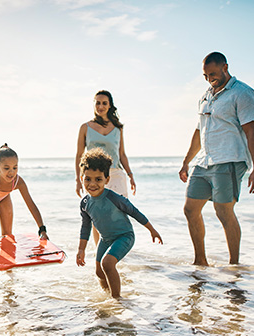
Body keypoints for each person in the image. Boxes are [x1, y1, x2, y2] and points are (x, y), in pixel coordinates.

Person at [179, 52, 254, 266]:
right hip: (204, 162)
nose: (209, 78)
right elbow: (198, 132)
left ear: (225, 67)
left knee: (223, 211)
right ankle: (200, 261)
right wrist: (186, 161)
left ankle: (234, 266)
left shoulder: (243, 94)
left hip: (229, 160)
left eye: (212, 73)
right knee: (190, 209)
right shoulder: (205, 96)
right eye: (205, 75)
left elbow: (251, 131)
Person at [76, 148, 163, 298]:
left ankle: (117, 300)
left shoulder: (114, 198)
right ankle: (108, 295)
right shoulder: (85, 203)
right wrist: (81, 249)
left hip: (124, 236)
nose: (92, 184)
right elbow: (85, 227)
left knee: (108, 264)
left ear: (107, 180)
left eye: (98, 179)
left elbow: (134, 212)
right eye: (88, 179)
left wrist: (151, 229)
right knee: (99, 271)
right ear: (82, 178)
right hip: (106, 238)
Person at [0, 144, 49, 276]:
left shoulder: (18, 181)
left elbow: (31, 205)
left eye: (15, 167)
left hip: (4, 198)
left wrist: (42, 229)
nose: (11, 172)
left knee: (8, 236)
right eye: (6, 168)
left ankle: (9, 273)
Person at [75, 90, 136, 245]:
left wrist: (130, 174)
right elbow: (79, 155)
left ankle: (118, 251)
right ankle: (99, 253)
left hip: (115, 174)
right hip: (95, 176)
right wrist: (78, 178)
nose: (100, 106)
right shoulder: (85, 127)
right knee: (97, 215)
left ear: (110, 106)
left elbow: (122, 154)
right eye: (98, 102)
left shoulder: (118, 128)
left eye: (104, 103)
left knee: (118, 214)